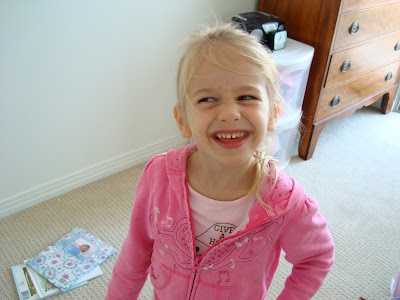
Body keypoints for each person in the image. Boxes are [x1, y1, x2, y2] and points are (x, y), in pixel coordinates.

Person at [106, 23, 334, 299]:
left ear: (273, 113)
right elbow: (136, 251)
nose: (229, 113)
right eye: (208, 99)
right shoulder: (159, 175)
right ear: (183, 121)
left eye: (246, 96)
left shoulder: (285, 203)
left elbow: (316, 258)